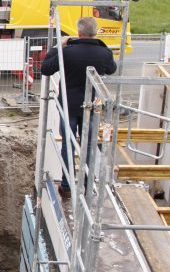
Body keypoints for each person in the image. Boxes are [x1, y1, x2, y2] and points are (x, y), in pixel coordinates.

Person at [41, 16, 117, 199]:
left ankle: (67, 186)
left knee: (68, 145)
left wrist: (58, 47)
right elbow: (111, 69)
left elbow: (46, 68)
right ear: (95, 32)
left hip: (69, 104)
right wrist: (103, 47)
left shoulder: (67, 52)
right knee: (89, 145)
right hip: (92, 107)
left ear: (79, 32)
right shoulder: (104, 53)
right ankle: (87, 183)